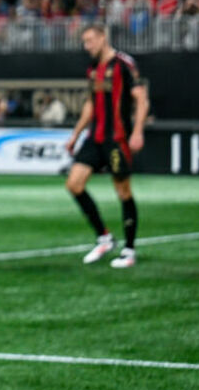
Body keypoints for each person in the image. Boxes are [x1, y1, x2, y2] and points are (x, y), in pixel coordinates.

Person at [62, 24, 148, 268]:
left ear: (102, 38)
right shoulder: (93, 70)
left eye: (90, 41)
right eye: (84, 42)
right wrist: (75, 135)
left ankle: (129, 250)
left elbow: (141, 99)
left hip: (117, 139)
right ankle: (104, 237)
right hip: (95, 138)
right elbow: (91, 104)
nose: (87, 46)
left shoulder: (123, 64)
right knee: (74, 184)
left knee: (123, 192)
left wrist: (138, 131)